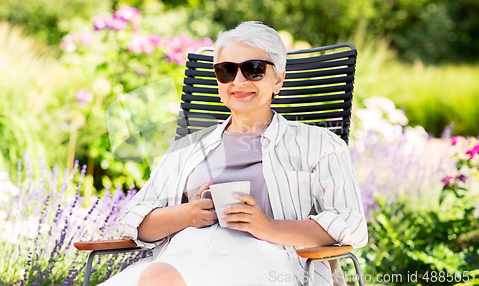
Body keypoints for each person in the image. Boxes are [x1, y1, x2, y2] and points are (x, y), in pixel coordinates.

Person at [101, 21, 368, 286]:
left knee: (159, 279)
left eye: (254, 69)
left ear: (278, 79)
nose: (238, 81)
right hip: (179, 257)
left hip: (264, 262)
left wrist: (267, 227)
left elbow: (350, 222)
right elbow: (132, 220)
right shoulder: (188, 148)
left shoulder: (320, 145)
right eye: (226, 70)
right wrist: (187, 214)